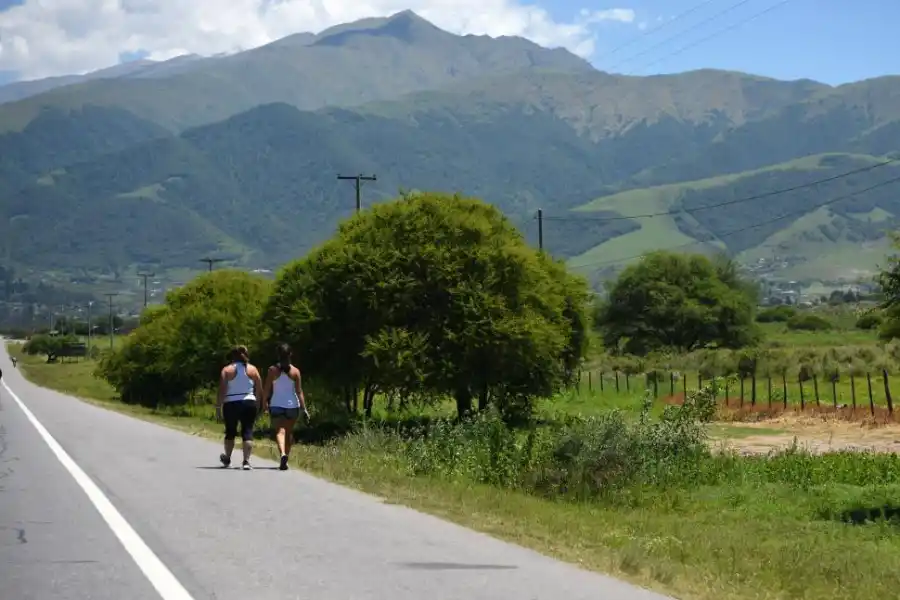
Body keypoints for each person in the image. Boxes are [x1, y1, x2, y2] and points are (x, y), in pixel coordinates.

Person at [261, 343, 309, 471]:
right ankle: (286, 457)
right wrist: (304, 408)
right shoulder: (295, 371)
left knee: (280, 432)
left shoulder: (272, 370)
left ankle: (282, 454)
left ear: (278, 355)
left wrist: (264, 402)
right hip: (292, 406)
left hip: (276, 404)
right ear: (290, 354)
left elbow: (267, 388)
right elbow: (299, 391)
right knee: (288, 433)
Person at [216, 345, 263, 470]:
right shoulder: (253, 369)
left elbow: (222, 389)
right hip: (249, 402)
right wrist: (259, 404)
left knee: (230, 431)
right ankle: (246, 461)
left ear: (232, 356)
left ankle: (227, 458)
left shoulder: (226, 370)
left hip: (231, 402)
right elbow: (259, 388)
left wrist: (218, 406)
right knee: (247, 431)